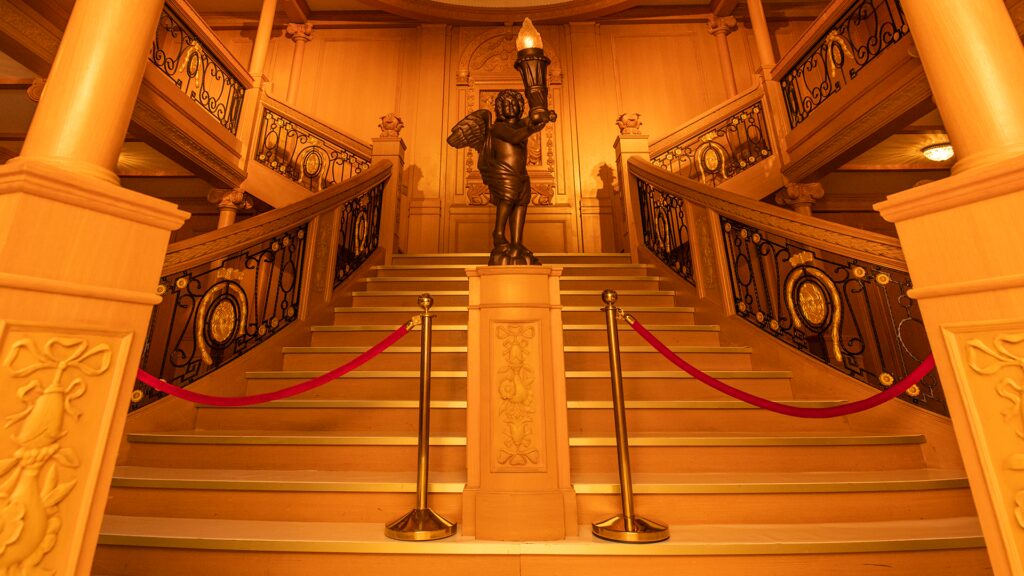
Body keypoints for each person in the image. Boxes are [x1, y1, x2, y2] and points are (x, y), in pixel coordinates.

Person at [447, 90, 555, 265]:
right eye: (506, 104)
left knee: (521, 204)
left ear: (520, 107)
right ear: (499, 108)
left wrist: (545, 117)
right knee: (507, 200)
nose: (510, 106)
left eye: (514, 103)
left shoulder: (521, 124)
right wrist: (531, 126)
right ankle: (498, 233)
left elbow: (532, 122)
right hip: (505, 172)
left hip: (521, 174)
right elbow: (515, 136)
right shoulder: (498, 127)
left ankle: (516, 243)